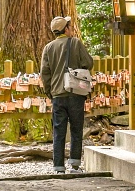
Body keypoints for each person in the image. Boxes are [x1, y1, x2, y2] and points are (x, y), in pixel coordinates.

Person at [40, 15, 94, 174]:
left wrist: (50, 91)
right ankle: (75, 165)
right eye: (70, 26)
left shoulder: (48, 48)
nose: (72, 29)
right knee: (77, 129)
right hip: (76, 93)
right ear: (66, 29)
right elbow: (88, 63)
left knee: (59, 131)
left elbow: (45, 73)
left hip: (57, 95)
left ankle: (58, 167)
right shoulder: (75, 43)